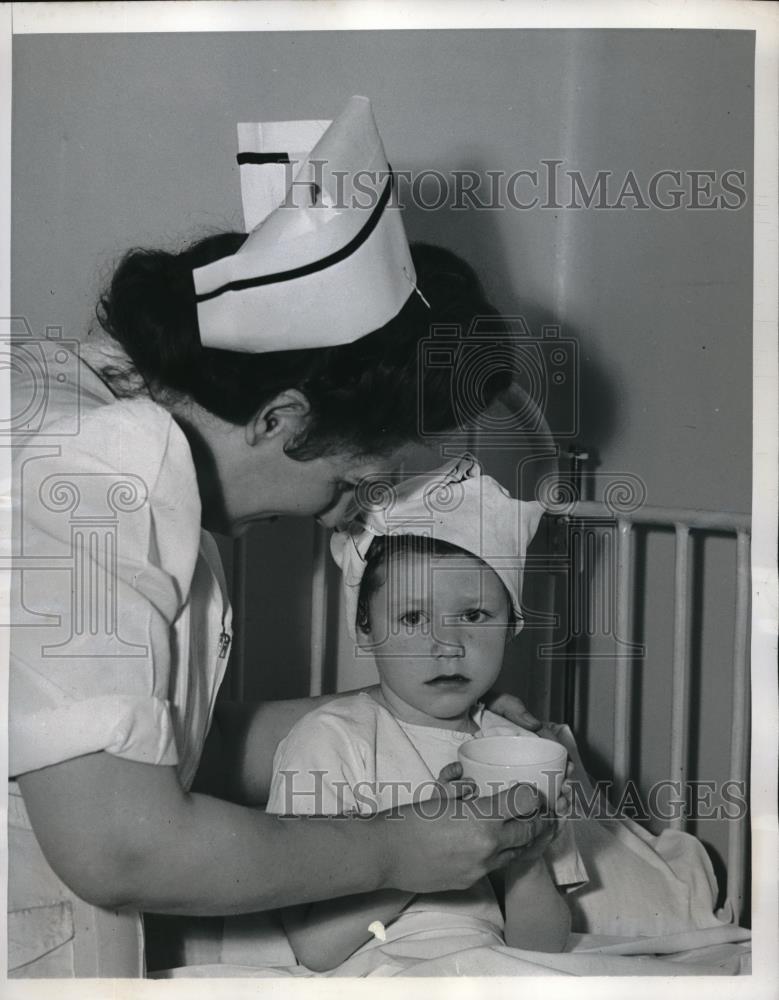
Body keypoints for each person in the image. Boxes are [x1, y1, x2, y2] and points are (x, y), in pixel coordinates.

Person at [8, 96, 548, 978]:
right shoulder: (104, 462)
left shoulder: (85, 410)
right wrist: (390, 851)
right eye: (348, 482)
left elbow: (146, 746)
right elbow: (119, 843)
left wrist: (414, 721)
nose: (339, 515)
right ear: (281, 418)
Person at [264, 457, 581, 972]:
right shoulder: (330, 741)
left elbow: (543, 950)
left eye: (474, 615)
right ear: (365, 629)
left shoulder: (523, 754)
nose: (447, 645)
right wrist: (424, 844)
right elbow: (315, 949)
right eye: (412, 617)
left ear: (512, 624)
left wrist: (525, 858)